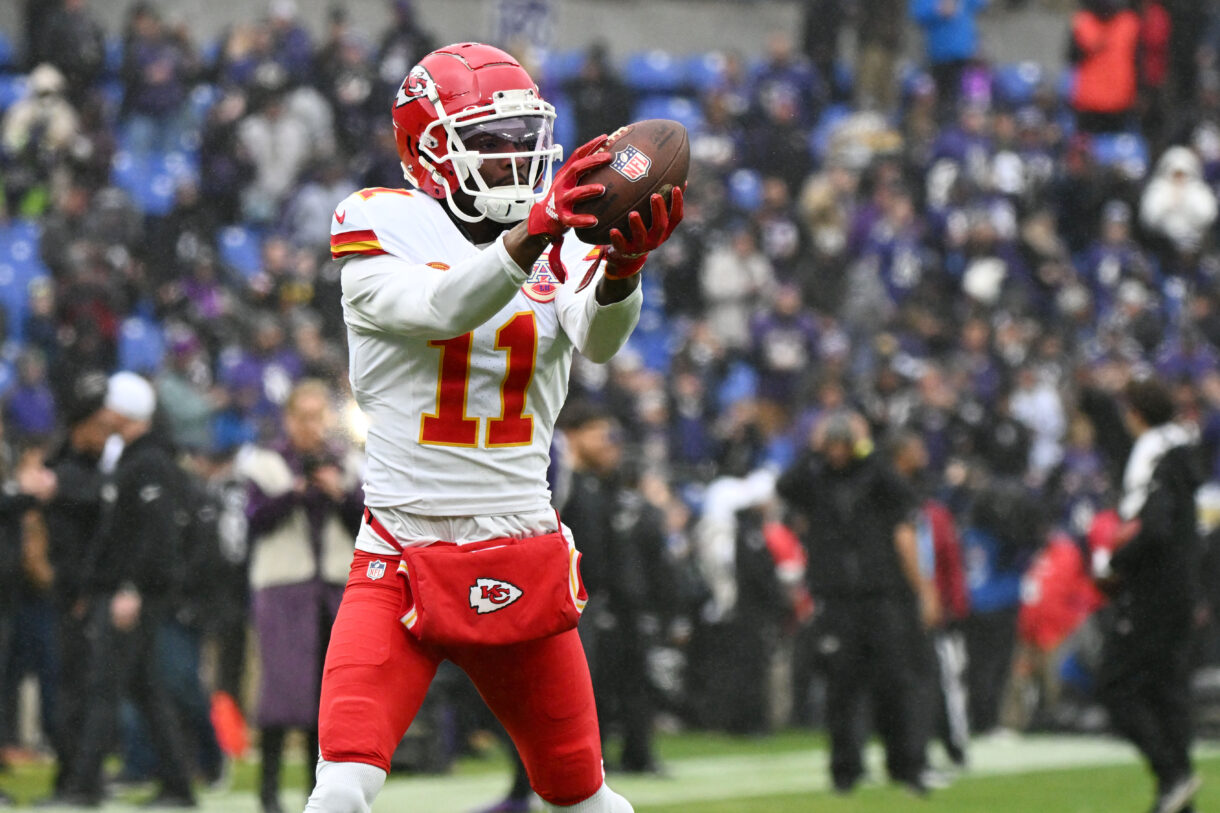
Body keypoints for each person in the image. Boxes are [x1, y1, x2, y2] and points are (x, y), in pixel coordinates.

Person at [305, 42, 681, 813]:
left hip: (520, 537)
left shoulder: (562, 233)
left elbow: (600, 341)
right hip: (402, 547)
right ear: (430, 151)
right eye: (491, 140)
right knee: (342, 784)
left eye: (522, 137)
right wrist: (531, 237)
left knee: (583, 795)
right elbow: (445, 308)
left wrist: (622, 276)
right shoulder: (380, 220)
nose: (516, 157)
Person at [61, 372, 197, 808]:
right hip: (127, 590)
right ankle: (179, 785)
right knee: (145, 689)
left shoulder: (148, 462)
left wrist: (130, 588)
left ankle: (83, 787)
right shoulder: (137, 458)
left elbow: (154, 537)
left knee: (105, 687)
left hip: (133, 593)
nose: (103, 412)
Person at [777, 412, 929, 795]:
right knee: (841, 689)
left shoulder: (874, 477)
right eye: (833, 444)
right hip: (837, 601)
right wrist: (812, 449)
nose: (838, 452)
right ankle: (845, 771)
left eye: (845, 444)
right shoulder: (816, 481)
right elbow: (785, 486)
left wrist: (868, 449)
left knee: (894, 685)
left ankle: (905, 766)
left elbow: (904, 493)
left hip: (880, 598)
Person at [241, 380, 363, 813]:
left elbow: (366, 523)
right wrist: (293, 493)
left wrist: (339, 494)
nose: (312, 426)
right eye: (303, 417)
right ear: (289, 419)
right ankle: (269, 796)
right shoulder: (266, 463)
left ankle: (320, 796)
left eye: (318, 416)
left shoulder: (345, 462)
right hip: (283, 588)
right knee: (281, 691)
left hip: (333, 588)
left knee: (327, 698)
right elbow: (253, 522)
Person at [1093, 378, 1202, 813]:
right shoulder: (1184, 454)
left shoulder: (1155, 456)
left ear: (1135, 413)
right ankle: (1178, 796)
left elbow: (1153, 528)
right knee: (1166, 690)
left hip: (1153, 593)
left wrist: (1116, 563)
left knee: (1116, 686)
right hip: (1182, 591)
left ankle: (1170, 774)